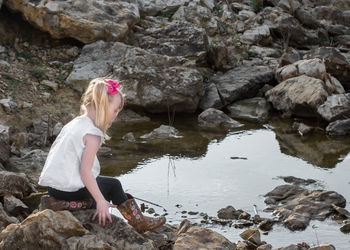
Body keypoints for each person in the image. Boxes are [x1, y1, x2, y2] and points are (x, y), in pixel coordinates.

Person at [38, 77, 165, 233]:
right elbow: (85, 172)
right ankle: (138, 222)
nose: (116, 114)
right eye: (115, 110)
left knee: (100, 185)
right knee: (113, 185)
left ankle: (64, 203)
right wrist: (100, 201)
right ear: (103, 106)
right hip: (67, 191)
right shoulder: (92, 134)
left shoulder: (76, 123)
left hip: (54, 188)